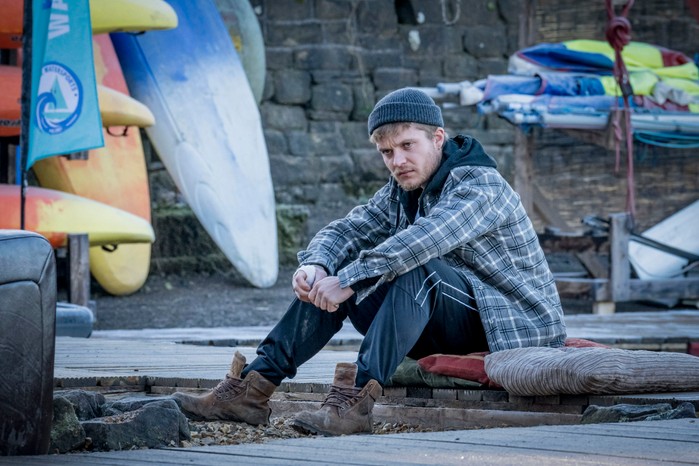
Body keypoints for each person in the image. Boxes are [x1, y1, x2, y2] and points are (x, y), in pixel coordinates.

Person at [173, 88, 567, 436]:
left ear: (438, 138)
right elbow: (346, 230)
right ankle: (250, 390)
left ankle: (353, 404)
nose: (397, 161)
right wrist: (315, 266)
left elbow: (424, 240)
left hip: (510, 325)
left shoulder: (481, 185)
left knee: (411, 266)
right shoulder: (400, 192)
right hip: (443, 318)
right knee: (337, 275)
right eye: (387, 152)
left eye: (408, 146)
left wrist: (350, 277)